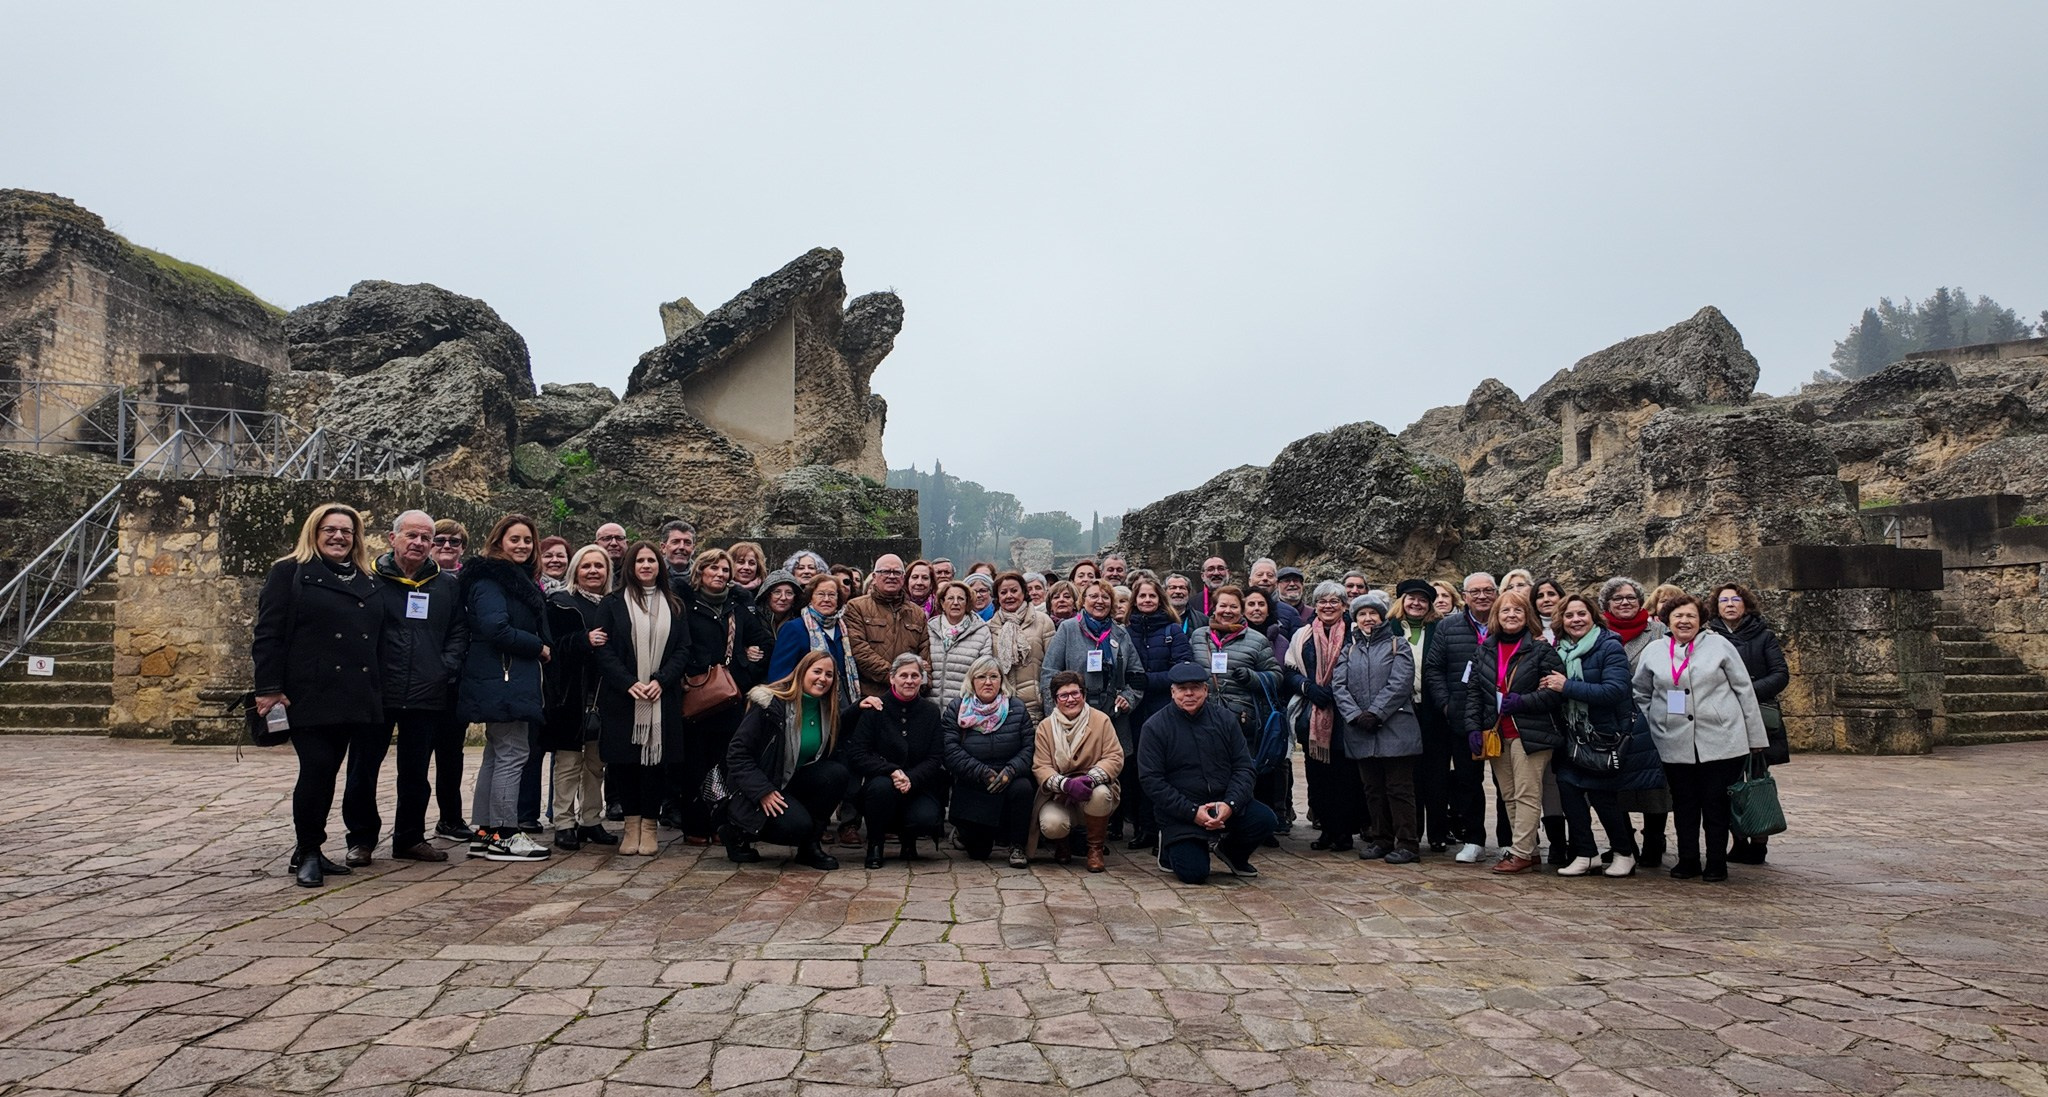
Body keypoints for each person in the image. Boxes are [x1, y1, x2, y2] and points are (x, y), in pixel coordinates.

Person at [252, 502, 383, 888]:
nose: (339, 536)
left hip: (353, 693)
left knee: (329, 772)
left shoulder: (365, 578)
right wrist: (268, 689)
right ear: (314, 532)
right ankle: (308, 850)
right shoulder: (289, 572)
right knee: (317, 769)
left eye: (346, 531)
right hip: (308, 691)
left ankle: (309, 847)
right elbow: (268, 634)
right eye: (330, 529)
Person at [1637, 594, 1770, 882]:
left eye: (1691, 617)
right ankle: (1687, 859)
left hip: (1720, 739)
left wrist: (1755, 736)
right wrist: (1651, 725)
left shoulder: (1720, 645)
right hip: (1672, 739)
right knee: (1684, 803)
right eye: (1678, 617)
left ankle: (1716, 862)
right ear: (1666, 621)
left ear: (1701, 620)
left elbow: (1744, 690)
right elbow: (1641, 693)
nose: (1684, 621)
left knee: (1715, 803)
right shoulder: (1654, 650)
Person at [1538, 594, 1665, 877]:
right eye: (1569, 616)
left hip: (1605, 734)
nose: (1576, 620)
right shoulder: (1559, 650)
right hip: (1572, 734)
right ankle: (1586, 853)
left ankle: (1624, 852)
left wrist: (1565, 686)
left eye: (1581, 614)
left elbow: (1615, 691)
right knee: (1569, 791)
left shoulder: (1609, 646)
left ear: (1593, 616)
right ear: (1561, 621)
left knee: (1602, 797)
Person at [372, 509, 468, 865]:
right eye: (412, 536)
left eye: (425, 538)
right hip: (379, 690)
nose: (420, 543)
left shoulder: (446, 585)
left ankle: (409, 838)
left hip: (427, 691)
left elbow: (458, 631)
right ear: (392, 538)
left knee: (415, 774)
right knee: (364, 769)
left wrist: (444, 668)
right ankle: (362, 839)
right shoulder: (372, 580)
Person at [458, 514, 553, 863]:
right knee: (513, 754)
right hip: (505, 678)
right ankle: (504, 834)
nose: (523, 546)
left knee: (496, 754)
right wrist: (539, 646)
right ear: (499, 541)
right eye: (515, 539)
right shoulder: (492, 581)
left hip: (506, 678)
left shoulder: (512, 579)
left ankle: (484, 832)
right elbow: (495, 629)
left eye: (528, 541)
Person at [592, 541, 688, 858]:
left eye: (651, 560)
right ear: (630, 566)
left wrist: (661, 680)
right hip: (623, 698)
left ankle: (649, 827)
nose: (646, 565)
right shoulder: (612, 603)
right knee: (625, 765)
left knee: (654, 767)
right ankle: (631, 826)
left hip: (662, 697)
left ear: (659, 566)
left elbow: (683, 649)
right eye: (640, 561)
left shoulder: (675, 604)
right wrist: (629, 682)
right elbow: (603, 649)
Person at [1140, 664, 1276, 883]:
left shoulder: (1225, 719)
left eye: (1195, 687)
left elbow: (1244, 767)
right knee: (1194, 874)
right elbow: (1152, 781)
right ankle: (1168, 847)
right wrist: (1192, 812)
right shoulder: (1155, 727)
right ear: (1172, 692)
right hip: (1182, 812)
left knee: (1265, 820)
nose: (1189, 694)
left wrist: (1230, 805)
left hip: (1223, 803)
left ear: (1205, 690)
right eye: (1182, 688)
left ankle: (1232, 852)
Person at [676, 547, 773, 842]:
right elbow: (678, 645)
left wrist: (748, 658)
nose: (719, 574)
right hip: (696, 696)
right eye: (713, 569)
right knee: (694, 764)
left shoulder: (737, 609)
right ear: (700, 572)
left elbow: (765, 643)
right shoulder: (685, 607)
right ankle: (695, 825)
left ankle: (721, 823)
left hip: (730, 698)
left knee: (726, 763)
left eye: (724, 570)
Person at [1465, 588, 1565, 874]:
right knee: (1508, 794)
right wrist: (1473, 727)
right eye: (1506, 610)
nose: (1511, 615)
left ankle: (1519, 851)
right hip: (1497, 733)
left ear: (1527, 616)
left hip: (1530, 733)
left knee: (1526, 793)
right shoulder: (1484, 650)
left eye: (1518, 610)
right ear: (1497, 615)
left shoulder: (1541, 650)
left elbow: (1555, 692)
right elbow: (1474, 692)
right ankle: (1528, 849)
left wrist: (1524, 701)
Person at [724, 651, 849, 870]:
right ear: (802, 672)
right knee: (797, 827)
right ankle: (736, 831)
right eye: (817, 671)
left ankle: (810, 847)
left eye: (829, 674)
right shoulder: (770, 704)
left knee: (836, 773)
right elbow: (737, 753)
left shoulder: (826, 710)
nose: (823, 678)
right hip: (756, 787)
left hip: (790, 780)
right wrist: (762, 791)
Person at [1038, 580, 1142, 835]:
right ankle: (1072, 832)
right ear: (1082, 601)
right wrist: (1056, 712)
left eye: (1105, 597)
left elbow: (1137, 674)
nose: (1100, 601)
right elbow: (1049, 672)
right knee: (1072, 767)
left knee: (1109, 768)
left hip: (1111, 714)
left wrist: (1129, 696)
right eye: (1093, 596)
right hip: (1072, 713)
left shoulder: (1120, 634)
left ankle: (1105, 831)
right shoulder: (1068, 630)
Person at [1333, 591, 1425, 864]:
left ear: (1382, 616)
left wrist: (1376, 712)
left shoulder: (1399, 645)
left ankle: (1407, 842)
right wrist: (1355, 715)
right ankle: (1381, 839)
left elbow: (1401, 682)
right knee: (1373, 789)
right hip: (1361, 730)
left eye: (1373, 613)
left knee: (1399, 788)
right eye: (1362, 614)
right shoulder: (1349, 649)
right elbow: (1339, 686)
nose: (1368, 618)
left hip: (1395, 728)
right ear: (1356, 619)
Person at [540, 543, 616, 852]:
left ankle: (590, 820)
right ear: (576, 570)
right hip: (569, 693)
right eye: (587, 566)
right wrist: (582, 640)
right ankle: (563, 823)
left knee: (597, 763)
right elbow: (551, 647)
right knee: (568, 762)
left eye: (599, 566)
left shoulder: (614, 604)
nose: (593, 571)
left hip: (604, 692)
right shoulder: (559, 603)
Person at [1709, 582, 1790, 865]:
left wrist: (1745, 691)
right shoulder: (1708, 636)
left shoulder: (1763, 636)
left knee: (1757, 779)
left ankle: (1759, 838)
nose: (1729, 604)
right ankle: (1738, 838)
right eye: (1723, 600)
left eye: (1735, 599)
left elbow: (1780, 674)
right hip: (1721, 719)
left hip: (1755, 716)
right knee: (1725, 782)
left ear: (1745, 604)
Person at [845, 655, 950, 868]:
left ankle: (909, 840)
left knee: (926, 819)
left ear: (922, 680)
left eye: (915, 676)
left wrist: (911, 777)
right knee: (880, 789)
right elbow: (858, 753)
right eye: (903, 675)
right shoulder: (876, 708)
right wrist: (891, 771)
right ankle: (876, 844)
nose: (909, 681)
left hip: (919, 784)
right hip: (882, 783)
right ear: (892, 678)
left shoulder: (930, 712)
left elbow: (936, 756)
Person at [1190, 586, 1283, 825]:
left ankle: (1240, 824)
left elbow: (1276, 676)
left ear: (1241, 610)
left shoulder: (1257, 639)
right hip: (1203, 717)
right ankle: (1209, 823)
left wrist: (1252, 677)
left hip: (1240, 720)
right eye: (1223, 605)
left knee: (1239, 775)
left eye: (1233, 606)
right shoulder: (1198, 636)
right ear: (1214, 608)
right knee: (1204, 774)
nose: (1227, 611)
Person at [1599, 576, 1672, 865]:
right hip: (1612, 716)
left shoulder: (1659, 632)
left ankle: (1654, 839)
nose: (1625, 602)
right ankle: (1624, 841)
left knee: (1654, 782)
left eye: (1630, 597)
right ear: (1607, 604)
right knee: (1615, 782)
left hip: (1651, 715)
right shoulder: (1599, 631)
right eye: (1617, 598)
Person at [1423, 572, 1495, 864]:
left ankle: (1509, 840)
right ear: (1464, 596)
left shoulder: (1508, 621)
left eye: (1488, 590)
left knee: (1508, 785)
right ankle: (1474, 838)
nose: (1481, 596)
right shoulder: (1448, 626)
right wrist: (1446, 705)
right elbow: (1434, 668)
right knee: (1468, 780)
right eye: (1474, 591)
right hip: (1462, 716)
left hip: (1505, 715)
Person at [1284, 581, 1360, 852]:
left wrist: (1338, 691)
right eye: (1322, 601)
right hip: (1314, 713)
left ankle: (1344, 832)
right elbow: (1290, 671)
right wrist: (1310, 688)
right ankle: (1326, 829)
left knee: (1345, 777)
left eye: (1334, 601)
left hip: (1346, 715)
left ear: (1344, 605)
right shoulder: (1302, 635)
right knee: (1318, 777)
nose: (1328, 606)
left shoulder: (1355, 633)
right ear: (1315, 605)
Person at [942, 657, 1036, 867]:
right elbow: (950, 751)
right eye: (981, 676)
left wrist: (1011, 771)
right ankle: (966, 831)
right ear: (971, 681)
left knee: (1023, 788)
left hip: (1008, 775)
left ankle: (1017, 846)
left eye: (994, 677)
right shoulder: (957, 708)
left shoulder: (1017, 708)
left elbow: (1028, 748)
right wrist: (982, 772)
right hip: (974, 779)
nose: (988, 682)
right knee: (978, 853)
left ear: (1001, 681)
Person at [1026, 671, 1124, 870]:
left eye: (1075, 693)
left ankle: (1095, 848)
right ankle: (1062, 843)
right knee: (1052, 824)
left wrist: (1089, 780)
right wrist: (1066, 785)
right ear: (1055, 700)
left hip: (1093, 789)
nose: (1070, 699)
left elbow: (1114, 757)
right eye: (1064, 695)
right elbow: (1041, 766)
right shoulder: (1045, 727)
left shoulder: (1101, 720)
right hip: (1058, 794)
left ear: (1084, 695)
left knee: (1101, 794)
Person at [1124, 574, 1194, 850]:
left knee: (1163, 770)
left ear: (1160, 599)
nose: (1147, 600)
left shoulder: (1173, 631)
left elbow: (1183, 669)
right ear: (1135, 600)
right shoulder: (1125, 631)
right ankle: (1144, 828)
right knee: (1139, 771)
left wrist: (1150, 681)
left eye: (1152, 596)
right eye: (1142, 596)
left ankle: (1164, 828)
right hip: (1134, 710)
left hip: (1164, 708)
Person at [426, 518, 472, 837]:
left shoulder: (469, 582)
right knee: (415, 757)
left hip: (456, 680)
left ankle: (451, 817)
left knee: (451, 754)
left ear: (462, 548)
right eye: (439, 540)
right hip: (417, 679)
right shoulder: (415, 578)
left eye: (453, 542)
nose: (446, 546)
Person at [767, 575, 862, 711]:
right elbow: (779, 675)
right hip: (804, 705)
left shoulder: (844, 628)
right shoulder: (794, 628)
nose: (826, 599)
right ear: (810, 597)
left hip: (840, 704)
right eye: (820, 594)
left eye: (831, 595)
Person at [843, 553, 929, 699]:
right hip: (870, 696)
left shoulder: (917, 613)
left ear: (903, 578)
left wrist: (923, 684)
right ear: (875, 577)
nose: (891, 576)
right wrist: (896, 677)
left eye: (896, 572)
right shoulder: (856, 607)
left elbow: (925, 657)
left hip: (908, 698)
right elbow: (859, 651)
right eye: (885, 571)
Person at [989, 571, 1056, 722]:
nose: (1009, 596)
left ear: (1024, 592)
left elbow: (1052, 665)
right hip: (1000, 706)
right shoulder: (990, 627)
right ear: (997, 597)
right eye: (1003, 592)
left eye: (1014, 590)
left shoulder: (1043, 622)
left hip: (1035, 707)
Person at [927, 580, 994, 711]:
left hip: (964, 708)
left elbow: (984, 670)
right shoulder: (929, 628)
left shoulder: (981, 630)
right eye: (950, 598)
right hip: (930, 709)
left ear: (968, 603)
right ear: (942, 603)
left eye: (961, 599)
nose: (956, 603)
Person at [756, 569, 803, 637]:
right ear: (767, 595)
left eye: (789, 593)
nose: (783, 598)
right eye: (777, 592)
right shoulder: (755, 619)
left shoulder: (801, 622)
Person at [595, 522, 629, 587]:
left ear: (626, 543)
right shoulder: (589, 572)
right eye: (606, 538)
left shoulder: (636, 572)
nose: (614, 543)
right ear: (596, 544)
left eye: (619, 538)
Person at [1532, 579, 1565, 643]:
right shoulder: (1529, 633)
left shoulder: (1572, 626)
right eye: (1540, 596)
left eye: (1551, 594)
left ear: (1561, 597)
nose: (1546, 599)